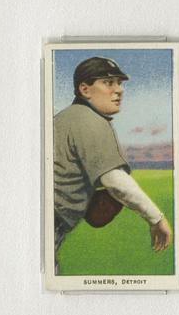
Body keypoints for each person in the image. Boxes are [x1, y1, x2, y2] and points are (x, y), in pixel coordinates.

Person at [53, 56, 172, 272]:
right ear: (85, 89)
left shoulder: (63, 118)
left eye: (119, 83)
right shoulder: (89, 120)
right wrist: (157, 219)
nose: (119, 90)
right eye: (108, 83)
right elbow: (116, 181)